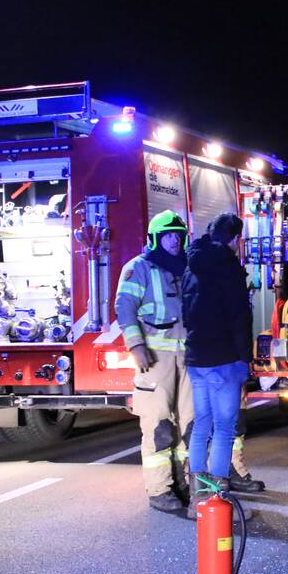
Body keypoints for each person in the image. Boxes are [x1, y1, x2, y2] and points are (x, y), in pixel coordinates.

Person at [115, 210, 192, 513]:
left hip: (188, 359)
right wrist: (136, 346)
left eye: (178, 235)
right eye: (168, 235)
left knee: (191, 425)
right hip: (155, 359)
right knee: (159, 425)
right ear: (154, 239)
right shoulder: (138, 268)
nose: (174, 240)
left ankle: (185, 483)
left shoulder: (187, 268)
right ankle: (160, 490)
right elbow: (125, 308)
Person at [182, 213, 255, 519]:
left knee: (202, 425)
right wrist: (244, 359)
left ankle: (196, 500)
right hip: (224, 358)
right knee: (224, 429)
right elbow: (239, 317)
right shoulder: (229, 268)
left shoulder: (191, 265)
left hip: (196, 357)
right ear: (235, 239)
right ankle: (217, 501)